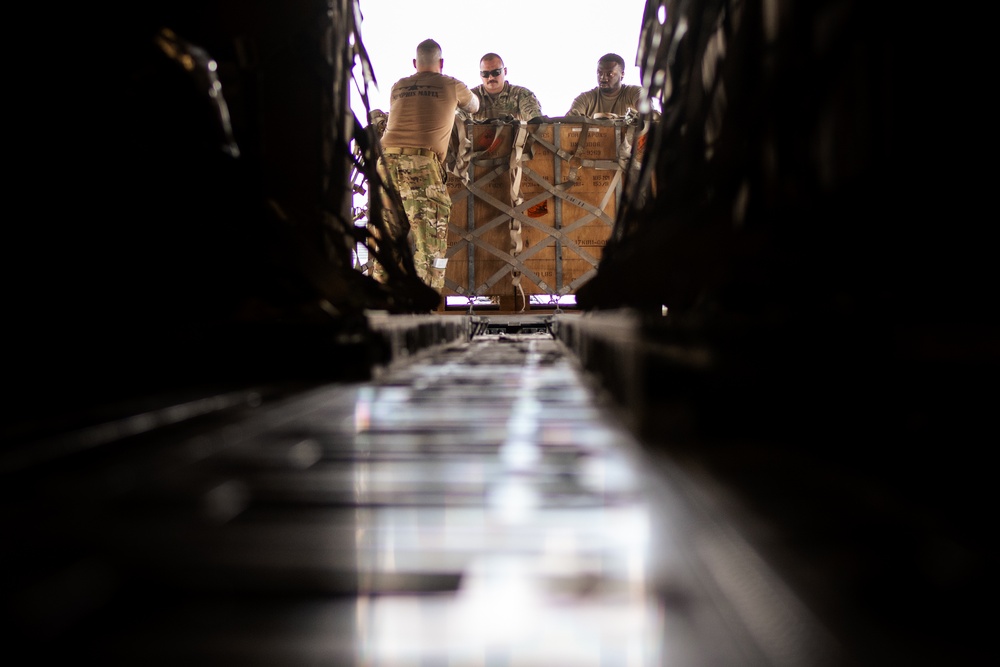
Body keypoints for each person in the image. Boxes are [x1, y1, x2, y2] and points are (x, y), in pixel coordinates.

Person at [375, 38, 479, 291]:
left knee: (386, 238)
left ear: (415, 63)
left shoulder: (398, 86)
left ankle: (380, 298)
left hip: (385, 162)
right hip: (420, 164)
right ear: (441, 63)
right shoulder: (451, 84)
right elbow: (475, 106)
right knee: (430, 242)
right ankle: (425, 303)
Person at [467, 53, 543, 121]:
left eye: (496, 72)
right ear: (481, 75)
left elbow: (535, 120)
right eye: (485, 74)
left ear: (505, 71)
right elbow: (457, 120)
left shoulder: (521, 94)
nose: (491, 78)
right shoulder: (470, 97)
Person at [566, 53, 644, 118]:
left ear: (622, 74)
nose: (603, 78)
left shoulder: (634, 92)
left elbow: (648, 113)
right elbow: (567, 125)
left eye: (609, 74)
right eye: (600, 73)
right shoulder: (585, 99)